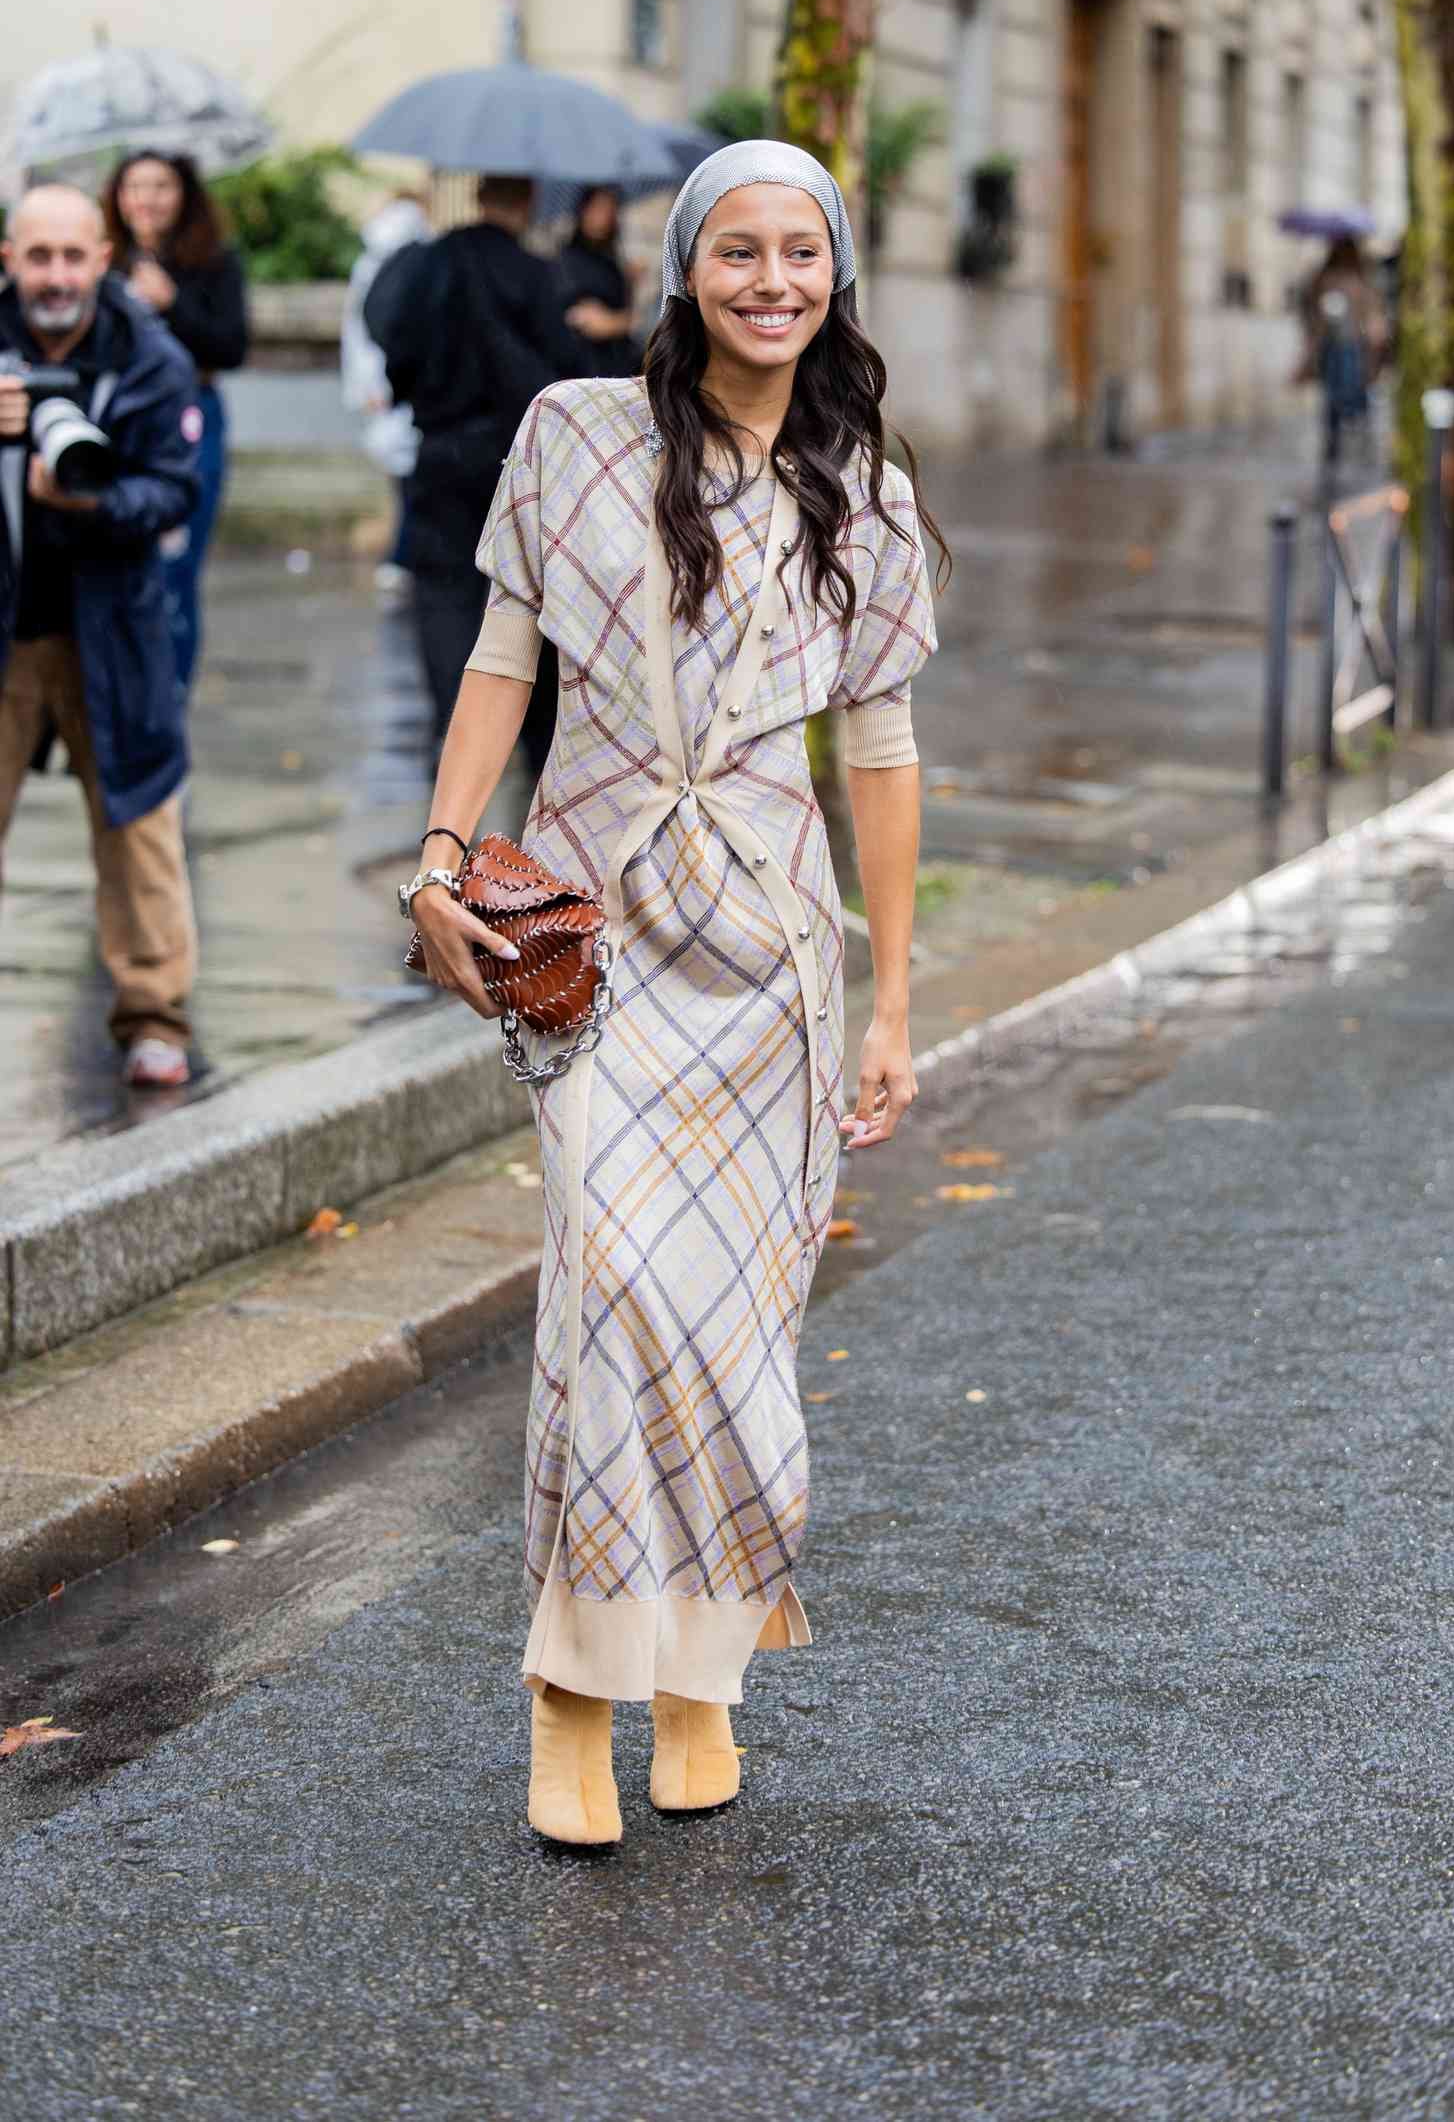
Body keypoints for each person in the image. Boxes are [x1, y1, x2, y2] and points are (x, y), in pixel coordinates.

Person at [404, 141, 947, 1847]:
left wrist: (893, 999)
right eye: (739, 250)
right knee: (609, 1296)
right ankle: (573, 1695)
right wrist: (437, 858)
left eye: (802, 251)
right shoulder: (577, 435)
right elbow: (506, 656)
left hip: (776, 947)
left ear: (835, 275)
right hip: (602, 926)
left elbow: (881, 747)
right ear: (685, 270)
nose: (771, 278)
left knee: (737, 1331)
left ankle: (705, 1679)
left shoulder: (866, 481)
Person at [0, 185, 200, 1088]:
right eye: (37, 256)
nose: (55, 276)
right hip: (8, 628)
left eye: (72, 256)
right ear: (9, 258)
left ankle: (155, 1013)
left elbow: (172, 493)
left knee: (139, 821)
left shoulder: (149, 358)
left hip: (109, 629)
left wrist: (86, 496)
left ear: (102, 259)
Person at [363, 174, 588, 777]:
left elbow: (395, 350)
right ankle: (531, 733)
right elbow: (562, 368)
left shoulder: (428, 264)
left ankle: (452, 724)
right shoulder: (536, 274)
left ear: (481, 196)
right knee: (525, 593)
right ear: (528, 202)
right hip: (517, 459)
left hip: (439, 450)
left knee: (442, 591)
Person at [102, 150, 248, 692]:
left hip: (191, 418)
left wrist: (172, 301)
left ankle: (168, 696)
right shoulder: (100, 261)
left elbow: (231, 346)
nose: (147, 198)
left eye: (160, 186)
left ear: (183, 194)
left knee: (176, 569)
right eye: (134, 185)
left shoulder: (212, 261)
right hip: (117, 422)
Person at [340, 193, 432, 604]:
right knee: (407, 476)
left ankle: (403, 554)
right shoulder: (400, 262)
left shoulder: (376, 264)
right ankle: (402, 555)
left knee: (408, 477)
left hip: (393, 386)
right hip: (393, 386)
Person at [1296, 236, 1387, 468]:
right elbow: (1309, 308)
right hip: (1339, 345)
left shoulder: (1353, 279)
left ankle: (1342, 442)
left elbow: (1371, 313)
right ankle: (1346, 441)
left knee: (1343, 394)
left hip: (1347, 345)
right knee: (1341, 394)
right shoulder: (1336, 279)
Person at [551, 186, 644, 378]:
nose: (603, 217)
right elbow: (592, 322)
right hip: (585, 369)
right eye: (598, 208)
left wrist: (630, 284)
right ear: (583, 211)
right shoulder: (567, 260)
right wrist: (624, 322)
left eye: (610, 210)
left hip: (620, 366)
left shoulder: (611, 263)